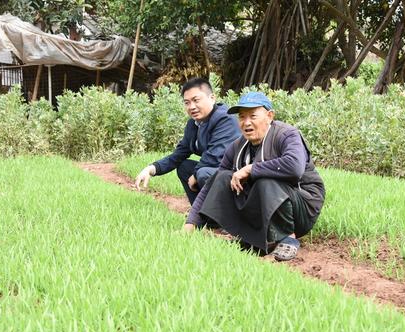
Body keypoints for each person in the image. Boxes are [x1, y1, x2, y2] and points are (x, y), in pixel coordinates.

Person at [183, 92, 325, 262]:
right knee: (222, 177)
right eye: (242, 117)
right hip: (265, 207)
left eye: (253, 116)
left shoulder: (287, 134)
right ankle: (248, 237)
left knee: (265, 179)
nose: (246, 122)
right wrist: (190, 224)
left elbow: (294, 167)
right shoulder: (237, 146)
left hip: (301, 207)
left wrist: (250, 169)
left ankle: (287, 237)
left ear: (269, 116)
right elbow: (212, 185)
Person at [134, 78, 241, 204]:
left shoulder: (225, 119)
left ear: (212, 98)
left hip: (236, 175)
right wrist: (151, 169)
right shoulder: (194, 124)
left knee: (203, 173)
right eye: (187, 103)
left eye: (196, 100)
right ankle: (200, 214)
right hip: (217, 171)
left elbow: (214, 157)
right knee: (184, 167)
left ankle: (224, 214)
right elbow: (179, 154)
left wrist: (195, 175)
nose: (192, 107)